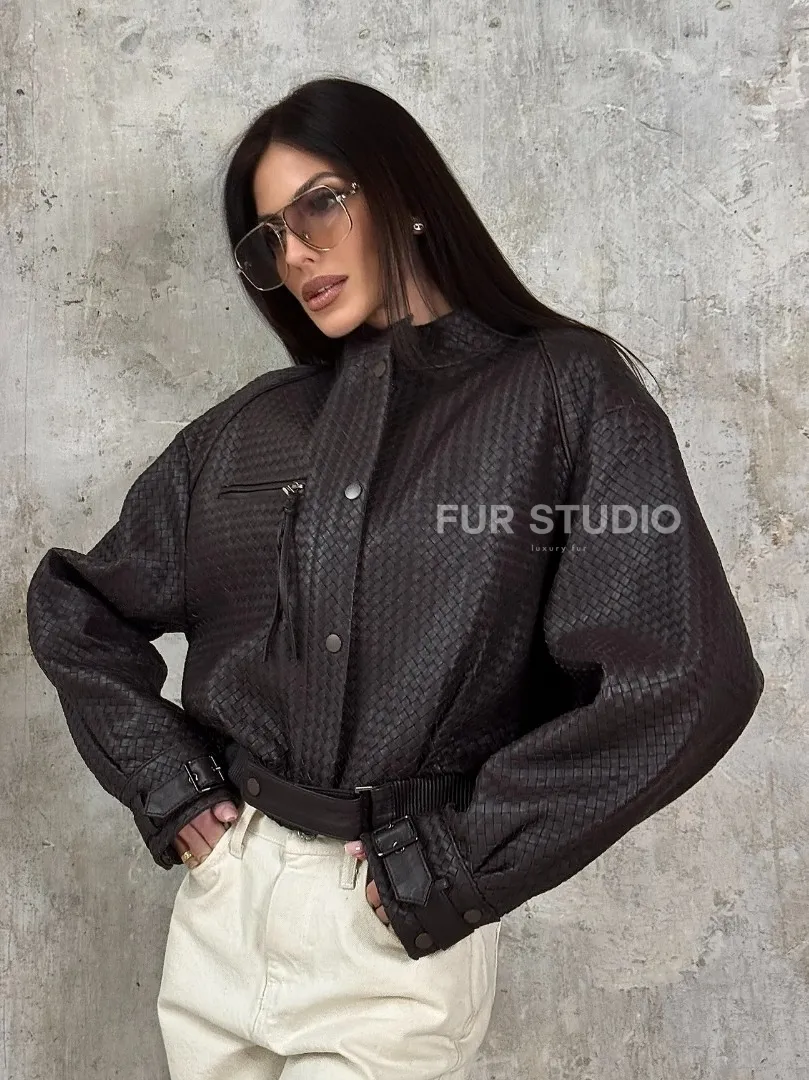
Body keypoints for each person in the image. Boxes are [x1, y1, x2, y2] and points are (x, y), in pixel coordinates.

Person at [26, 76, 764, 1080]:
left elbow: (684, 675)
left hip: (387, 936)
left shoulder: (561, 395)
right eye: (267, 238)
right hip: (221, 914)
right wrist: (170, 781)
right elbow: (79, 604)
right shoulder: (246, 430)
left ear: (404, 191)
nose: (295, 253)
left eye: (320, 205)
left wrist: (460, 861)